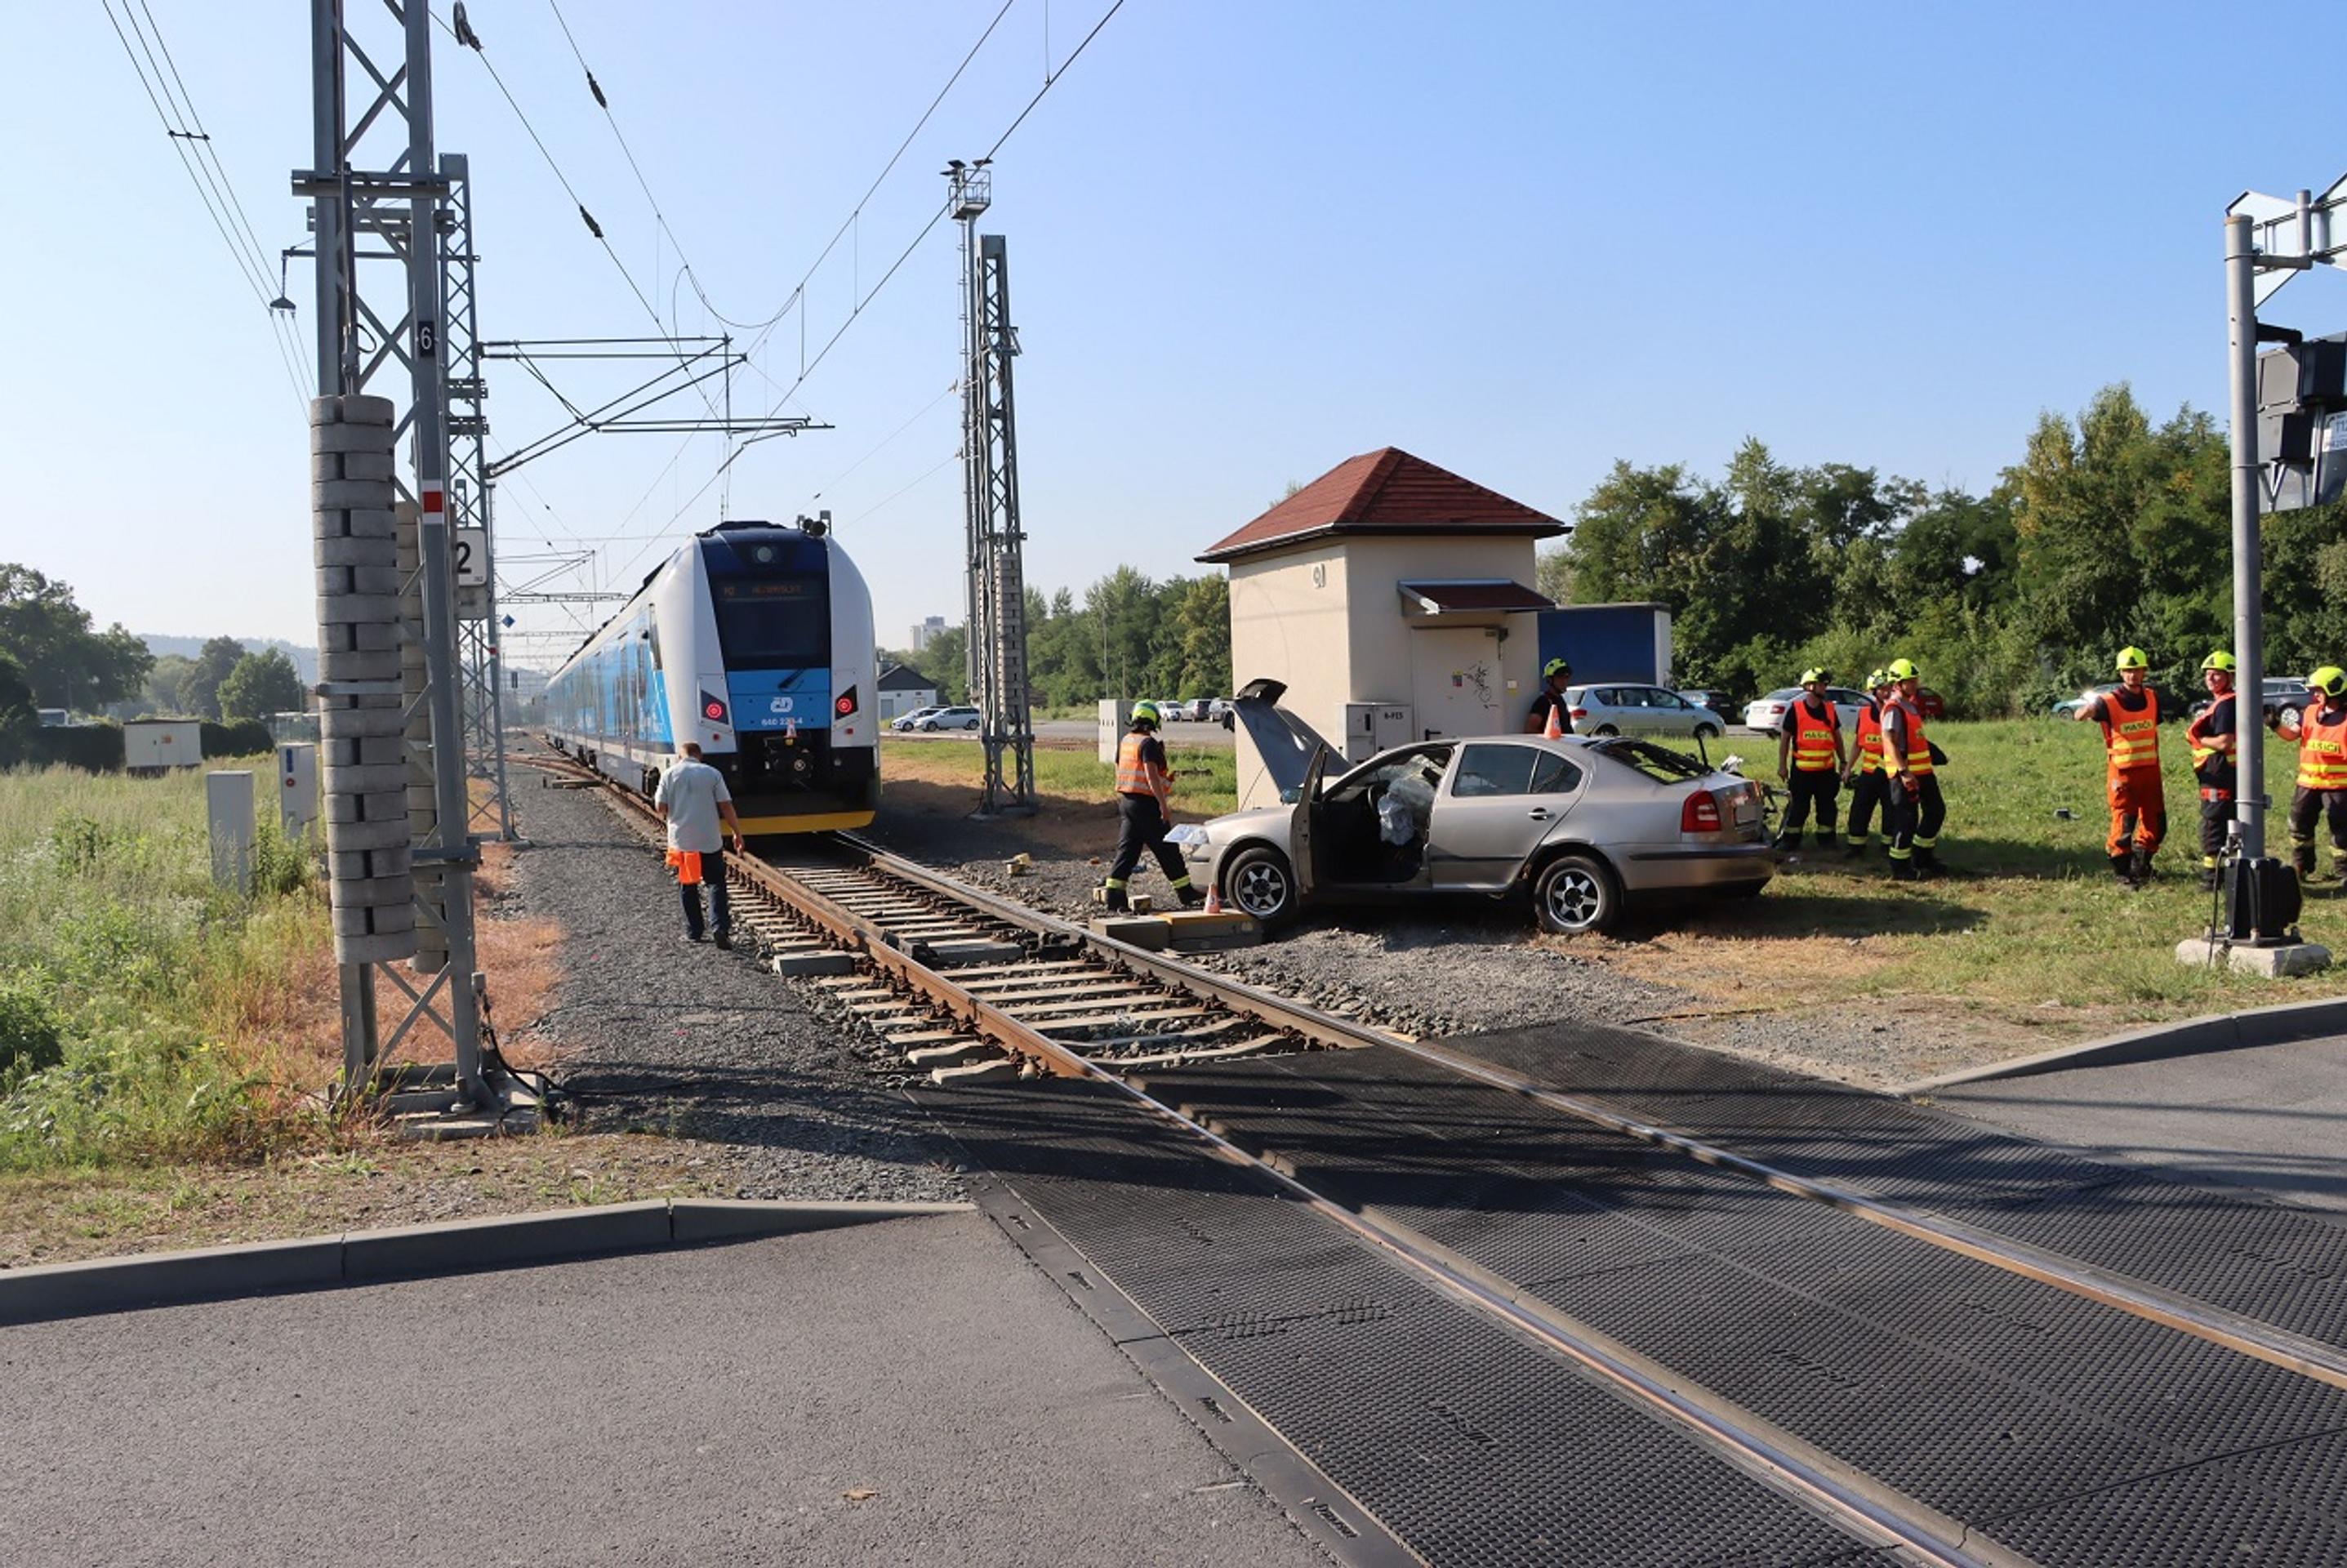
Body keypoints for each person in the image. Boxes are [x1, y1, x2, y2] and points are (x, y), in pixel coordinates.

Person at [2069, 646, 2166, 888]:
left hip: (2150, 772)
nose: (2132, 675)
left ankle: (2141, 865)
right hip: (2123, 774)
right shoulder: (2108, 702)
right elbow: (2079, 716)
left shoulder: (2152, 697)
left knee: (2156, 824)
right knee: (2124, 824)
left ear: (2144, 671)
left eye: (2137, 670)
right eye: (2127, 670)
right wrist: (2088, 709)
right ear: (2121, 673)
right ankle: (2123, 873)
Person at [1103, 701, 1201, 913]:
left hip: (1127, 802)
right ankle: (1186, 892)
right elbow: (1151, 776)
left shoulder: (1126, 741)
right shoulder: (1148, 744)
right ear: (1153, 720)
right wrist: (1163, 805)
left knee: (1128, 851)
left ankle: (1114, 896)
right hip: (1146, 805)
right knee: (1168, 848)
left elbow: (1120, 768)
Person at [653, 741, 745, 947]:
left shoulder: (669, 774)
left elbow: (660, 807)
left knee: (688, 885)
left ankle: (694, 932)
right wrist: (736, 833)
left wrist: (675, 808)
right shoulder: (712, 773)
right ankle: (720, 928)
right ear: (700, 756)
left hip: (683, 842)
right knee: (716, 883)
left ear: (680, 756)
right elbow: (726, 805)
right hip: (709, 839)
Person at [2272, 666, 2347, 883]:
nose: (2315, 694)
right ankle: (2302, 866)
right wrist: (2275, 724)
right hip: (2307, 783)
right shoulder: (2311, 712)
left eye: (2319, 690)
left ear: (2334, 690)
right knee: (2299, 825)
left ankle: (2344, 873)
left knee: (2342, 832)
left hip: (2339, 787)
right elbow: (2292, 734)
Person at [1880, 657, 1946, 880]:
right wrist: (1904, 772)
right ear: (1897, 684)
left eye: (1915, 680)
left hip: (1924, 773)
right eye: (1910, 681)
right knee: (1906, 821)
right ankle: (1900, 867)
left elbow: (1914, 738)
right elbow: (1889, 742)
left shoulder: (1910, 706)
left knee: (1936, 811)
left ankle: (1922, 857)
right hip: (1905, 775)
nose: (1915, 684)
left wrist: (1933, 752)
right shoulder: (1893, 709)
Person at [1774, 667, 1847, 853]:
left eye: (1825, 684)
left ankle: (1827, 841)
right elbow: (1785, 740)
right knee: (1799, 808)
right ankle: (1791, 841)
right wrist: (1782, 766)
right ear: (1809, 687)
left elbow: (1837, 738)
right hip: (1802, 772)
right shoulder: (1796, 710)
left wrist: (1843, 761)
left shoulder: (1830, 710)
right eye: (1821, 684)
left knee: (1827, 808)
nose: (1824, 688)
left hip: (1826, 772)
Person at [2183, 650, 2240, 891]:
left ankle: (2212, 879)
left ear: (2230, 676)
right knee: (2228, 822)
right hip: (2225, 771)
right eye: (2208, 675)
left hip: (2219, 772)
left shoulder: (2226, 704)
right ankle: (2229, 874)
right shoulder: (2226, 701)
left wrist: (2198, 738)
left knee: (2213, 824)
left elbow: (2224, 742)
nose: (2210, 679)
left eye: (2217, 675)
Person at [1842, 669, 1893, 857]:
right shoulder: (1864, 714)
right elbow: (1858, 743)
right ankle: (1856, 847)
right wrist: (1848, 768)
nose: (1886, 692)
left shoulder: (1895, 713)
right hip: (1869, 773)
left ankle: (1888, 847)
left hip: (1891, 773)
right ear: (1873, 691)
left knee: (1891, 811)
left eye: (1889, 688)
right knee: (1860, 810)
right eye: (1882, 689)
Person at [1524, 657, 1575, 736]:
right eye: (1560, 677)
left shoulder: (1561, 700)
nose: (1564, 681)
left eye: (1566, 677)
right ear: (1550, 680)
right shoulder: (1543, 702)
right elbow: (1529, 730)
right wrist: (1549, 738)